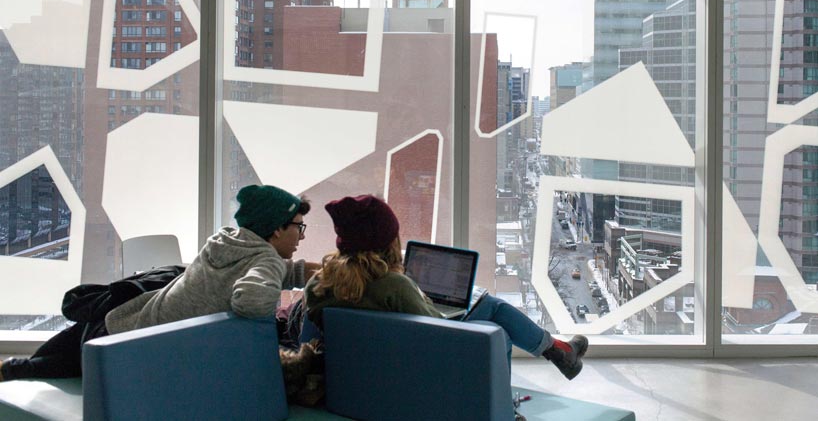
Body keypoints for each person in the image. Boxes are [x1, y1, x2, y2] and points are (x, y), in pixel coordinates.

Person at [0, 184, 318, 381]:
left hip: (125, 318)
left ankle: (13, 368)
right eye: (298, 228)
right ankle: (17, 369)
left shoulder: (227, 242)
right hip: (139, 348)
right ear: (276, 229)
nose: (301, 237)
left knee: (57, 356)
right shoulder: (265, 262)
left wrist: (305, 271)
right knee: (73, 367)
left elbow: (259, 270)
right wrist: (278, 279)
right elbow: (250, 300)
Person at [304, 195, 588, 380]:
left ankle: (558, 350)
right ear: (388, 241)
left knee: (487, 305)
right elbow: (438, 334)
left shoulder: (318, 283)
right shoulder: (394, 286)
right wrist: (420, 295)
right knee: (493, 314)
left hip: (357, 376)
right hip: (416, 372)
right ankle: (551, 357)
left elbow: (309, 339)